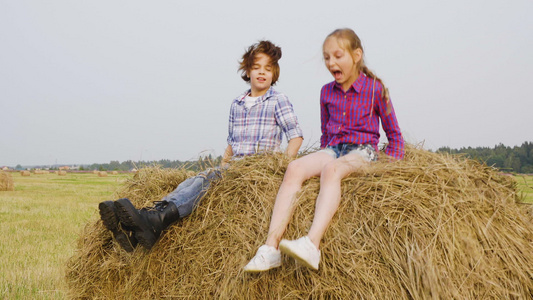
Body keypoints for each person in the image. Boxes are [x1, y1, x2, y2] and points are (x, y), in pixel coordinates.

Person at [99, 40, 303, 252]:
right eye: (257, 67)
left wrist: (282, 168)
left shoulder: (278, 100)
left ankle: (154, 220)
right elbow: (231, 144)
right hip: (234, 169)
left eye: (268, 69)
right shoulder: (237, 103)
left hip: (257, 172)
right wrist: (223, 166)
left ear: (275, 73)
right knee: (194, 181)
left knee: (206, 182)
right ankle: (143, 223)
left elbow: (295, 135)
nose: (262, 73)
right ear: (248, 70)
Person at [244, 28, 405, 272]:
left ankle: (312, 244)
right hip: (333, 149)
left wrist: (389, 170)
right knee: (295, 167)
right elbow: (325, 135)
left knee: (332, 170)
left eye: (338, 56)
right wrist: (317, 158)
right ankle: (270, 248)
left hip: (363, 152)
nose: (331, 62)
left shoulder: (375, 89)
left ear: (356, 55)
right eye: (327, 57)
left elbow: (395, 137)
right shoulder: (326, 92)